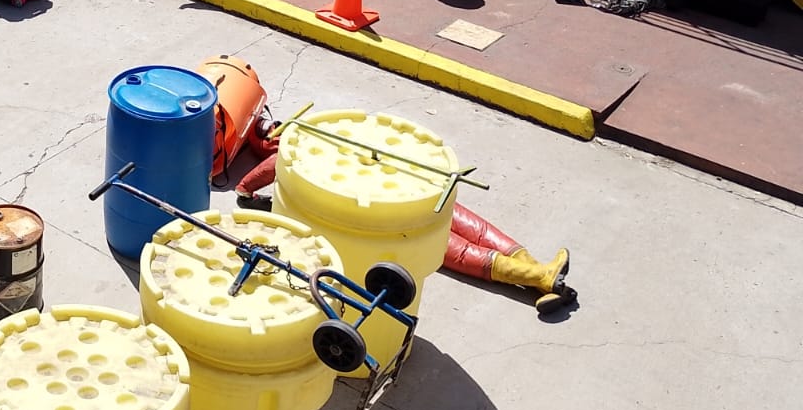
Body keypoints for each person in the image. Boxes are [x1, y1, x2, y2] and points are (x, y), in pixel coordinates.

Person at [234, 145, 576, 312]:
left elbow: (265, 171)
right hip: (407, 188)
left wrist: (246, 190)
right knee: (461, 221)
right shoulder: (325, 136)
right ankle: (539, 272)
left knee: (452, 248)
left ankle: (540, 277)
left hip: (383, 213)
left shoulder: (298, 149)